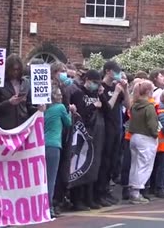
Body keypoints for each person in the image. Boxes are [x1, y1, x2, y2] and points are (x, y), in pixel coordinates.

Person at [69, 70, 108, 211]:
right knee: (80, 165)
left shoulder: (95, 93)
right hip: (81, 135)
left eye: (98, 83)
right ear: (88, 80)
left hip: (95, 135)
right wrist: (92, 106)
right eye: (95, 82)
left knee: (93, 166)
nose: (96, 85)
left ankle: (89, 198)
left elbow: (107, 110)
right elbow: (81, 113)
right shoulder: (79, 93)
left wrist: (101, 94)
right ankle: (77, 200)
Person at [96, 61, 130, 206]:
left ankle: (106, 191)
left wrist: (126, 89)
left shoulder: (117, 87)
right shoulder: (102, 87)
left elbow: (128, 106)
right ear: (108, 71)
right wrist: (115, 92)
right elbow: (107, 108)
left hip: (117, 128)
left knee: (113, 161)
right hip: (106, 128)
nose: (117, 74)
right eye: (115, 71)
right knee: (104, 161)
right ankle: (99, 192)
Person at [44, 85, 73, 217]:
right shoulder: (60, 108)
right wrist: (71, 111)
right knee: (51, 178)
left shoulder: (44, 109)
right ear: (53, 96)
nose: (61, 96)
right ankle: (49, 207)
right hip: (54, 145)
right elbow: (68, 123)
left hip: (42, 145)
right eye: (58, 95)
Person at [128, 80, 159, 204]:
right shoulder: (149, 107)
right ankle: (137, 192)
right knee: (144, 166)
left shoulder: (134, 105)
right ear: (148, 91)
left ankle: (133, 190)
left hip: (134, 136)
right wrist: (155, 134)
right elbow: (152, 125)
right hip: (146, 138)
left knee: (135, 165)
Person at [0, 54, 37, 129]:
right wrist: (9, 102)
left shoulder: (26, 83)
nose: (15, 72)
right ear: (7, 69)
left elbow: (29, 105)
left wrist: (38, 109)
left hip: (23, 127)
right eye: (13, 69)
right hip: (4, 127)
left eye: (18, 69)